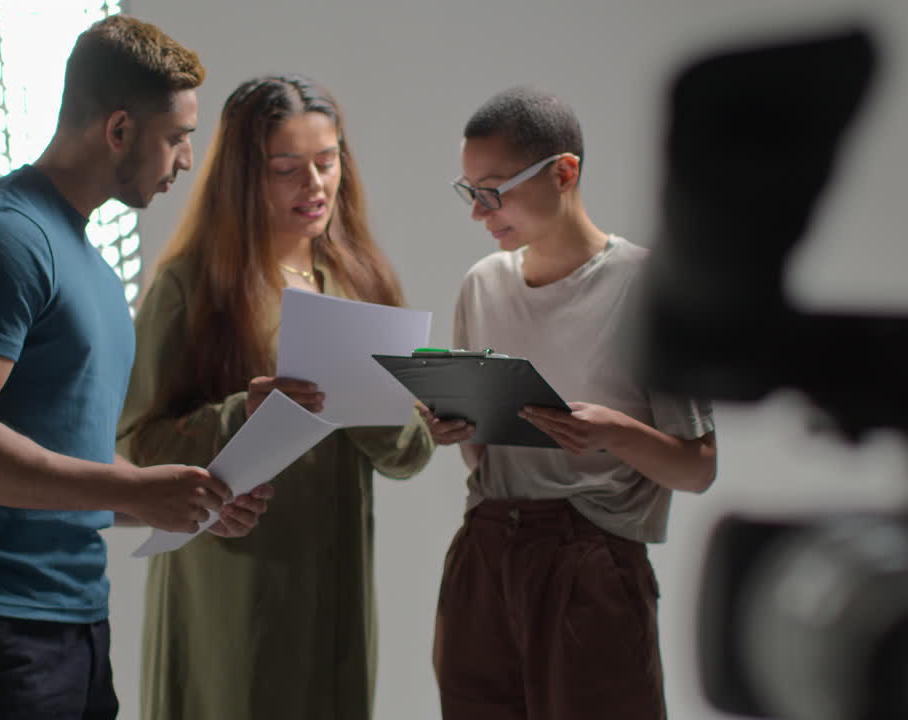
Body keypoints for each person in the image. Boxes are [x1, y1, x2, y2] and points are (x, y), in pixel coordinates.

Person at [0, 16, 273, 720]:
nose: (186, 161)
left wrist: (185, 504)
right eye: (178, 137)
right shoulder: (3, 240)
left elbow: (65, 467)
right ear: (119, 130)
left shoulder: (90, 265)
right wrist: (135, 489)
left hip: (71, 617)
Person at [118, 74, 435, 720]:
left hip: (335, 584)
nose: (314, 185)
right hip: (231, 588)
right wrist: (241, 412)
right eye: (287, 168)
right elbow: (137, 441)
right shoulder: (191, 288)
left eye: (327, 161)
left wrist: (383, 405)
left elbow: (408, 455)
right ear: (242, 177)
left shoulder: (358, 280)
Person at [423, 86, 718, 720]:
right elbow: (482, 460)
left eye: (494, 190)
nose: (480, 212)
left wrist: (614, 433)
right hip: (485, 549)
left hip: (593, 560)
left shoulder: (648, 289)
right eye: (470, 191)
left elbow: (698, 469)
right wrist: (456, 422)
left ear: (564, 172)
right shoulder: (483, 284)